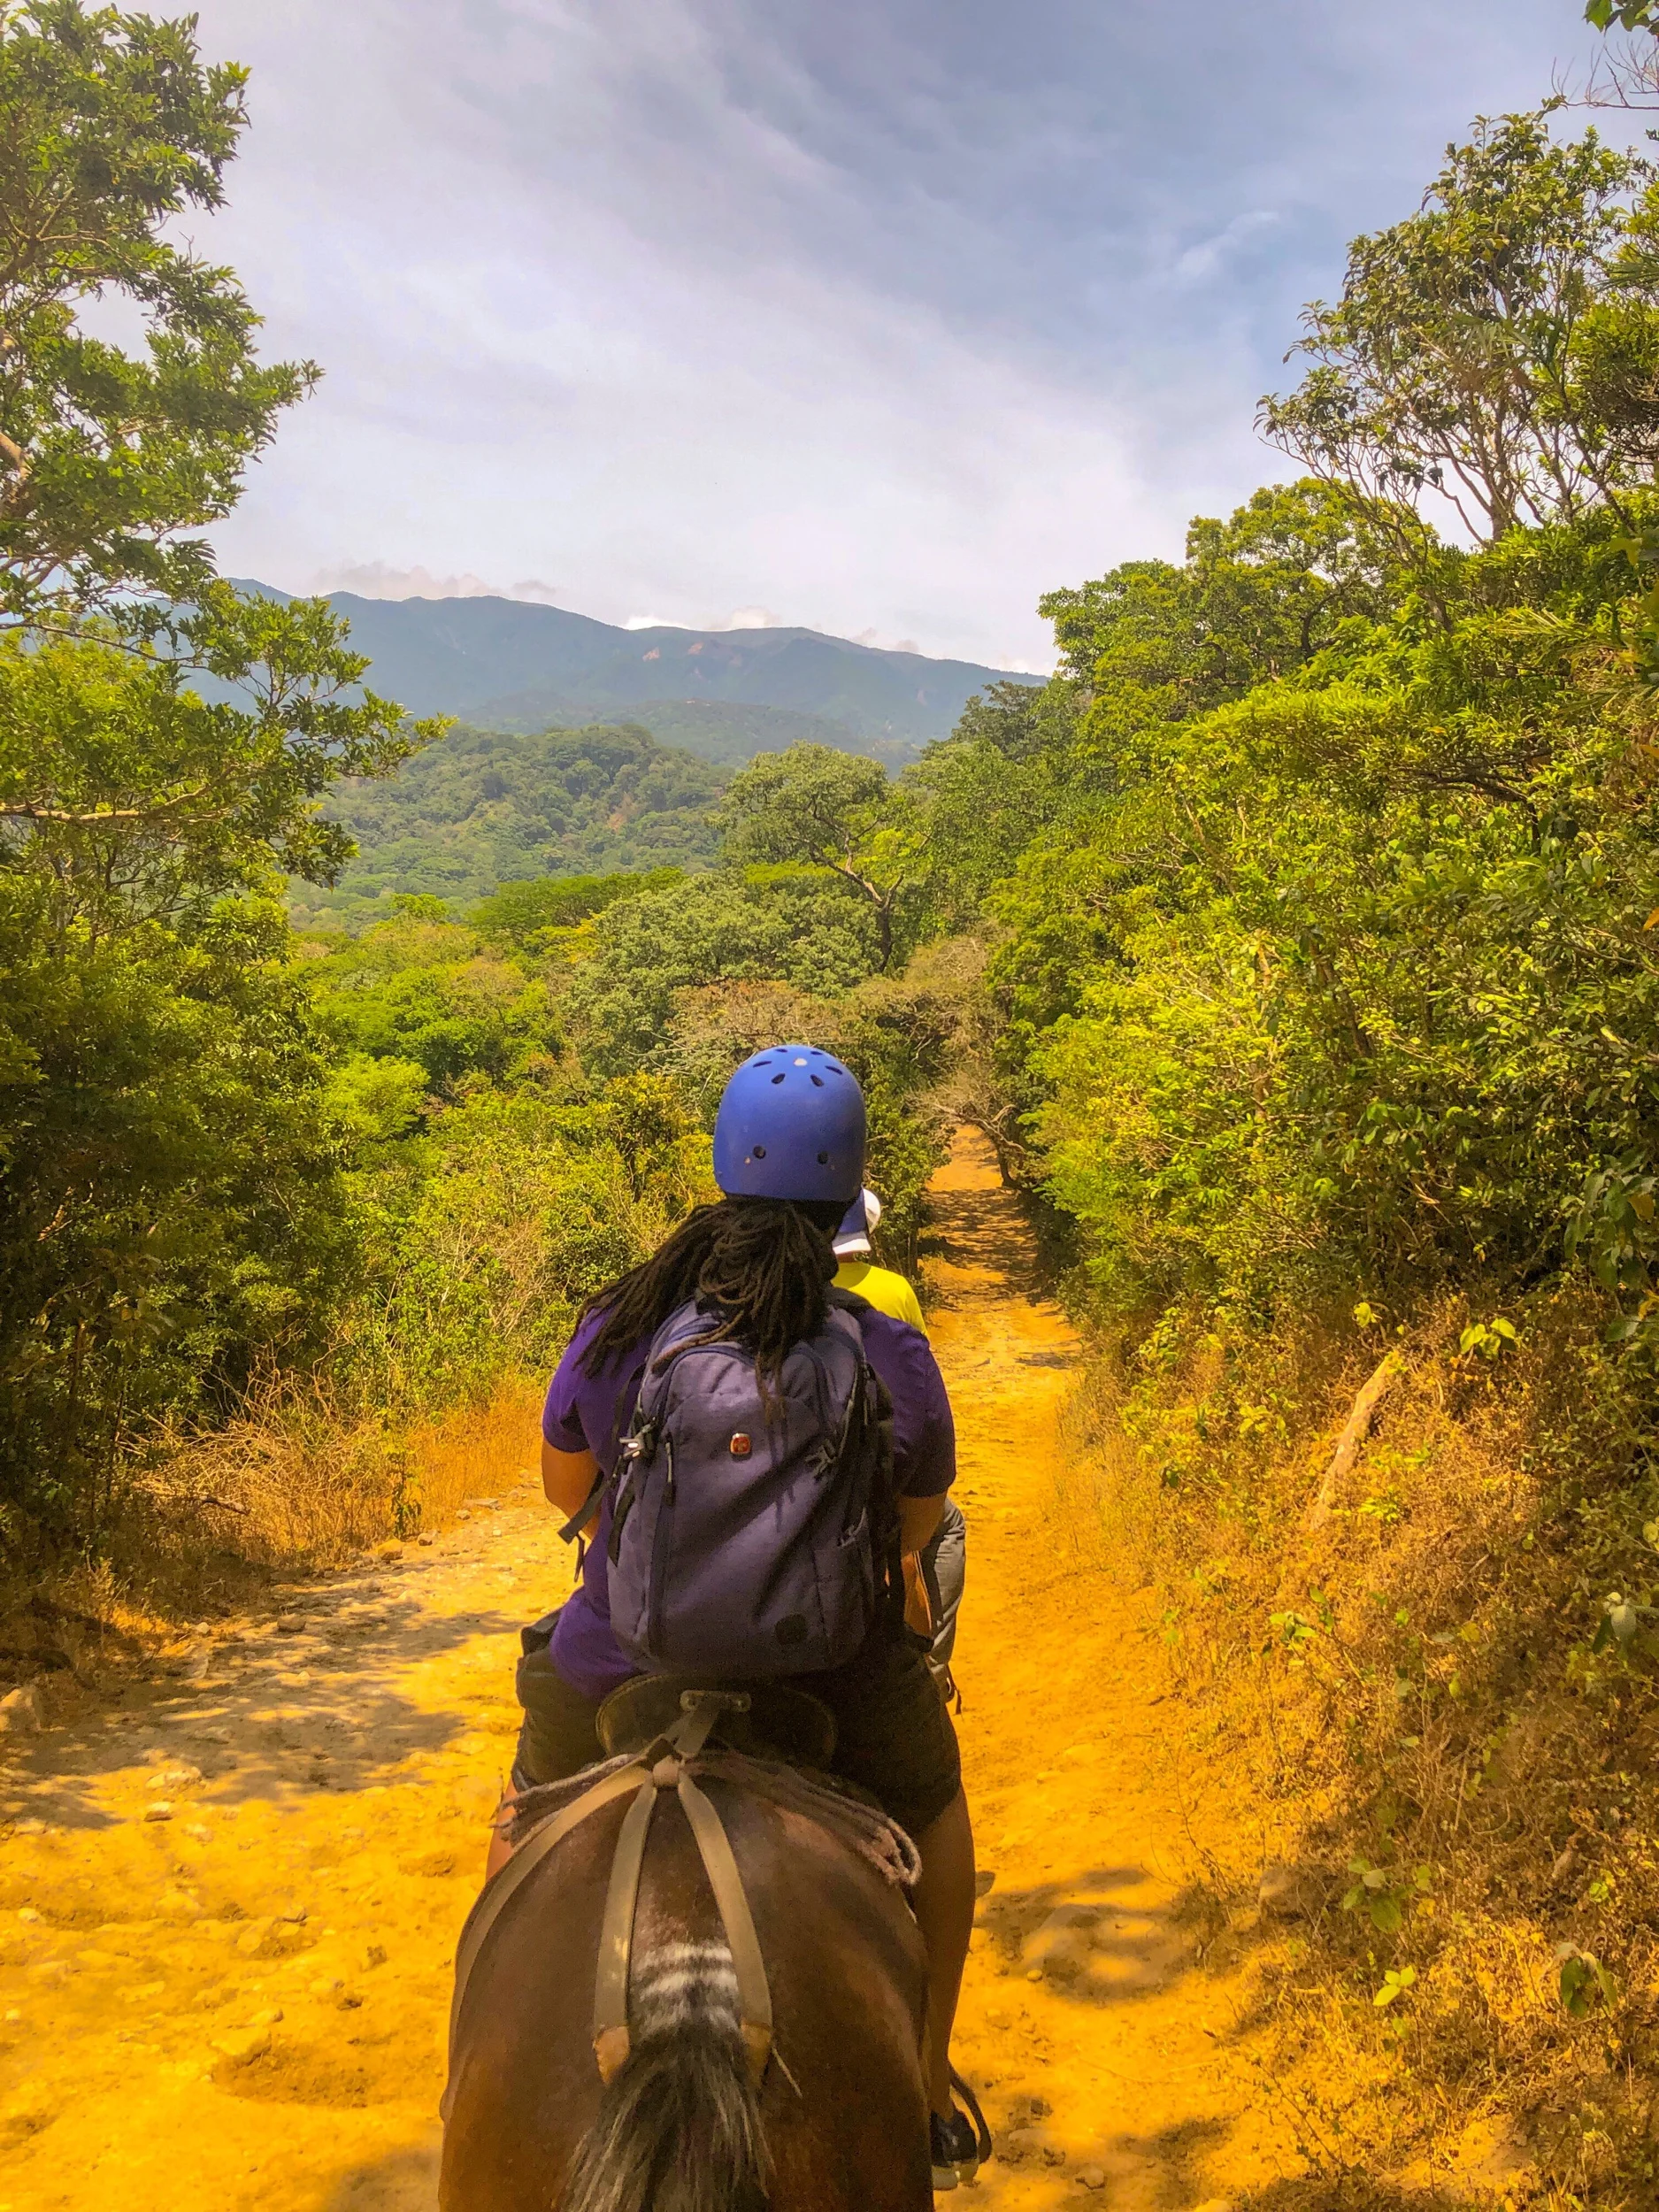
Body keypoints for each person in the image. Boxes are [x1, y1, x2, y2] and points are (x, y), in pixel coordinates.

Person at [497, 1046, 984, 2186]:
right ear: (847, 1184)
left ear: (724, 1165)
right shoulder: (885, 1341)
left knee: (526, 1809)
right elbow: (921, 1522)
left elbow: (566, 1497)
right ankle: (926, 2075)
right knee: (939, 1802)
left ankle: (482, 2036)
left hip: (620, 1662)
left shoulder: (622, 1320)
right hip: (831, 1675)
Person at [833, 1188, 966, 1701]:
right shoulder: (895, 1289)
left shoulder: (786, 1288)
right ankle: (932, 1660)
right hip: (882, 1441)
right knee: (943, 1527)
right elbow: (918, 1371)